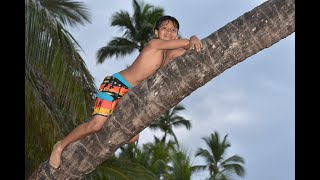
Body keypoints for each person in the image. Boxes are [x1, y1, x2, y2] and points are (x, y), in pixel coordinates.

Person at [49, 15, 203, 169]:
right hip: (116, 85)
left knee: (132, 138)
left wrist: (192, 43)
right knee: (95, 126)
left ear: (176, 34)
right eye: (165, 29)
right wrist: (192, 38)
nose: (169, 32)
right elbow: (187, 43)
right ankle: (60, 146)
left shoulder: (167, 54)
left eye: (173, 30)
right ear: (156, 32)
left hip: (131, 94)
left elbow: (188, 50)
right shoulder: (154, 44)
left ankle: (85, 135)